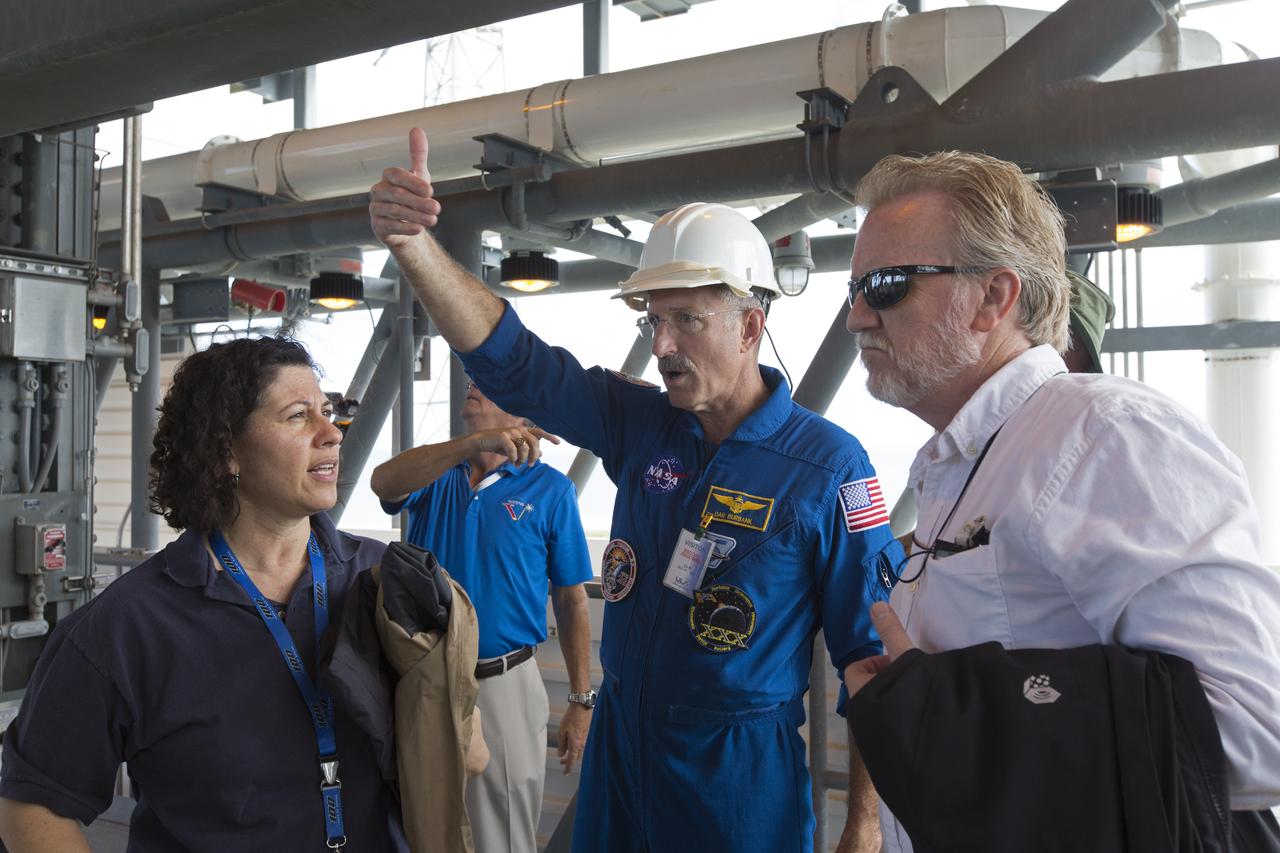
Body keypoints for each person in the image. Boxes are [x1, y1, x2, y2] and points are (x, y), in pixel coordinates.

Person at [368, 128, 904, 853]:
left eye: (687, 319)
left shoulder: (828, 468)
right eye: (655, 320)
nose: (661, 346)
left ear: (752, 324)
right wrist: (416, 250)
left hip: (737, 774)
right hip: (623, 750)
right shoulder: (642, 425)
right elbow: (517, 365)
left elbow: (873, 661)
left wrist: (865, 824)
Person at [841, 150, 1280, 852]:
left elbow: (1256, 728)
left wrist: (940, 712)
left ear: (994, 297)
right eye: (855, 288)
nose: (858, 317)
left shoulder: (1107, 435)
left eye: (888, 285)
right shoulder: (969, 460)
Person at [0, 338, 408, 852]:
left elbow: (466, 752)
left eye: (329, 412)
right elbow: (33, 805)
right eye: (298, 416)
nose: (331, 433)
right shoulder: (127, 627)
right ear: (226, 452)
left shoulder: (381, 578)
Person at [370, 382, 594, 853]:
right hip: (425, 678)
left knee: (504, 831)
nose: (471, 388)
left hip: (504, 681)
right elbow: (383, 484)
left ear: (520, 413)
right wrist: (472, 445)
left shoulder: (551, 490)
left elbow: (572, 600)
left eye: (487, 386)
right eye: (471, 382)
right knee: (424, 823)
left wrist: (579, 699)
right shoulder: (438, 472)